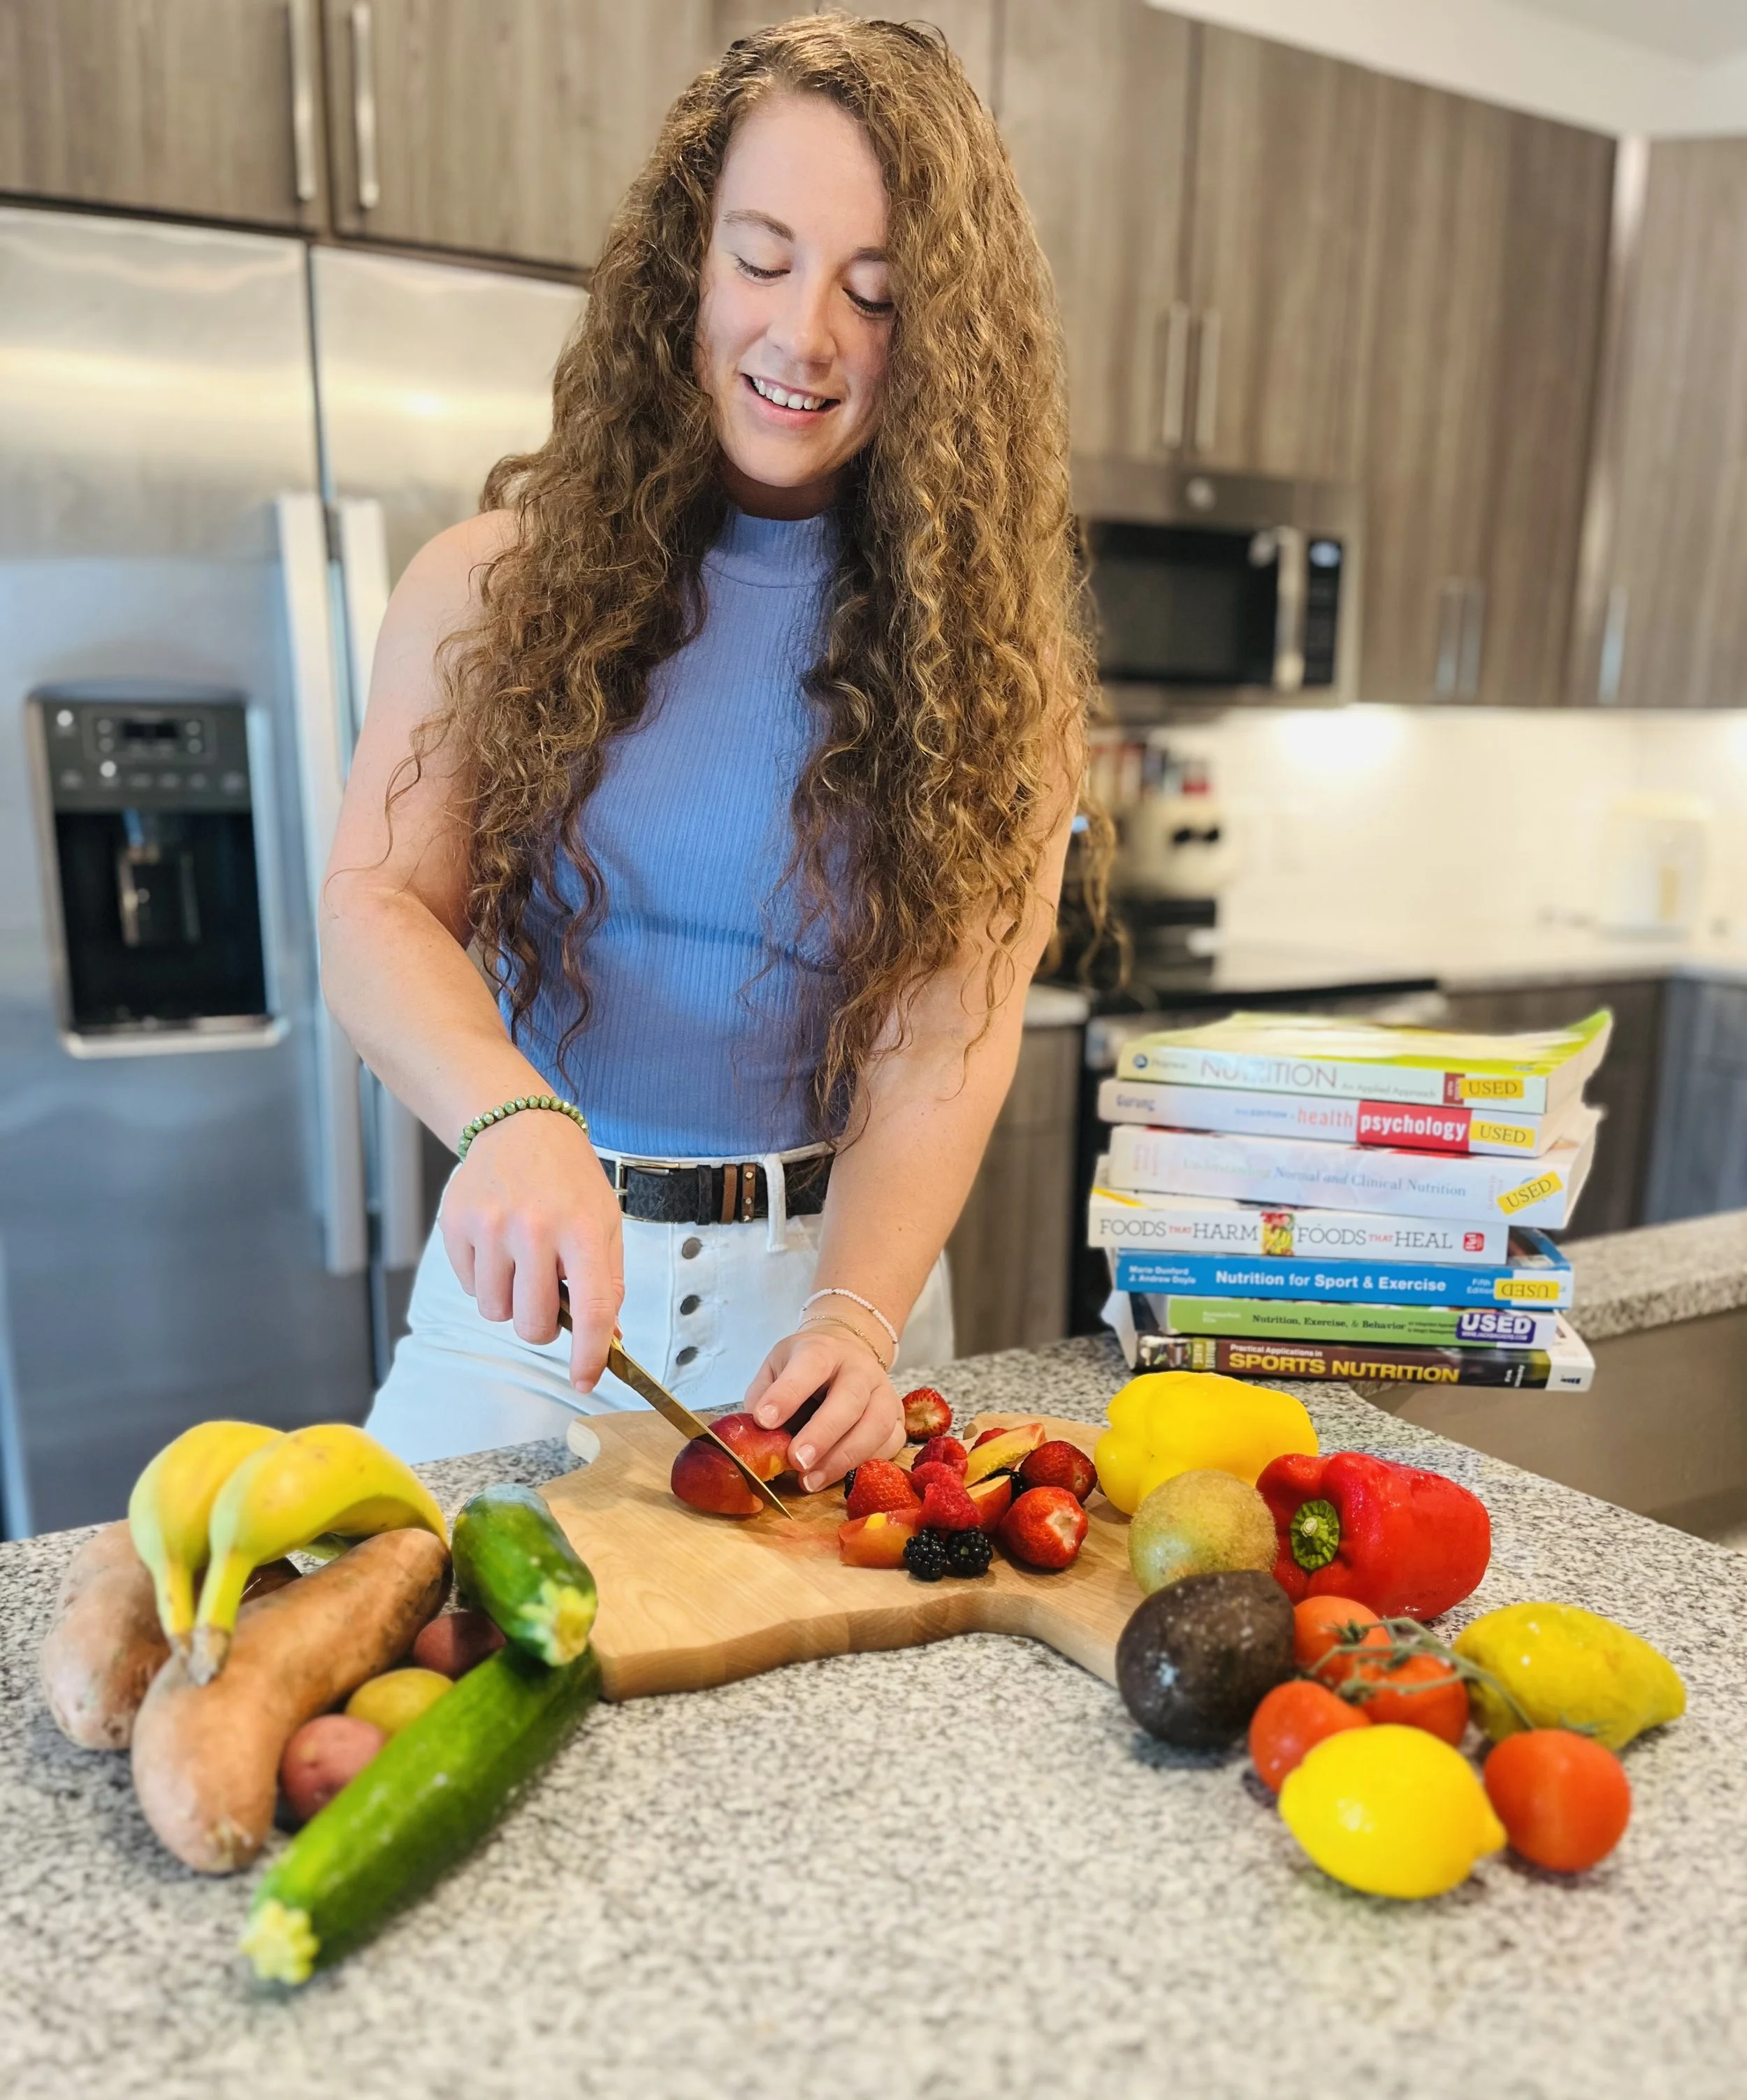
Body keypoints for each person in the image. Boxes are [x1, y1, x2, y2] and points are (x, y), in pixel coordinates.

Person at [321, 15, 1101, 1486]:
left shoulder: (1000, 677)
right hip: (522, 1292)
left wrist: (858, 1321)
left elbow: (947, 1025)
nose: (801, 335)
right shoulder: (488, 586)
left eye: (873, 296)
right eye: (760, 258)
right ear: (683, 258)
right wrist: (511, 1113)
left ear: (938, 341)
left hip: (825, 1317)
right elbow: (375, 909)